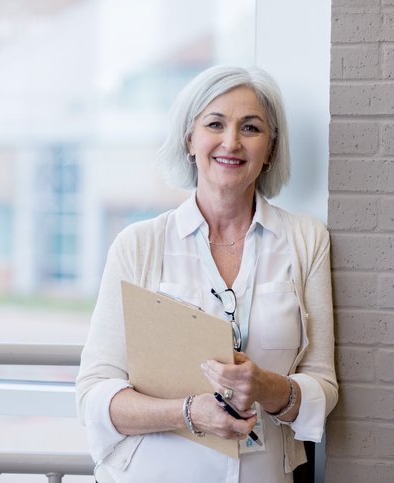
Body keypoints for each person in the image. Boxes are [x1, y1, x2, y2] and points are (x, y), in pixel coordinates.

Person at [76, 65, 338, 483]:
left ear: (270, 148)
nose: (231, 142)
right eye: (215, 124)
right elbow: (93, 394)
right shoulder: (139, 244)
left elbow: (323, 388)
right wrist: (189, 412)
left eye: (250, 128)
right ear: (190, 140)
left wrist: (268, 388)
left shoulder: (306, 241)